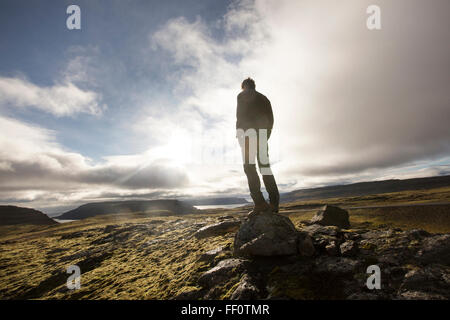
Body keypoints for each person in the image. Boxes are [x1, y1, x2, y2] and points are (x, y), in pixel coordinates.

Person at [236, 77, 280, 217]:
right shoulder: (264, 98)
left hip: (248, 135)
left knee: (249, 167)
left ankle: (260, 203)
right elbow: (270, 120)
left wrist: (239, 134)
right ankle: (274, 204)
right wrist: (265, 136)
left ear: (244, 86)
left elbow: (240, 117)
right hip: (261, 135)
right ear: (254, 85)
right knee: (265, 167)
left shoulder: (242, 95)